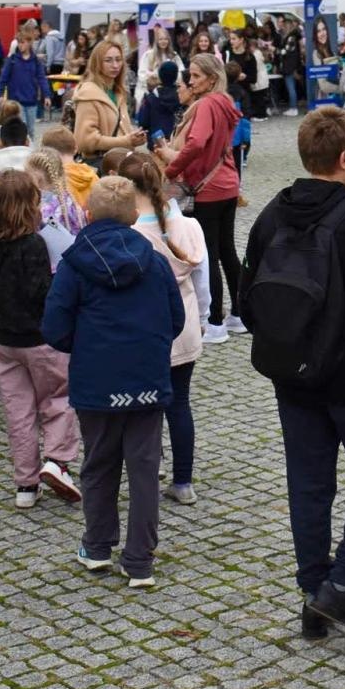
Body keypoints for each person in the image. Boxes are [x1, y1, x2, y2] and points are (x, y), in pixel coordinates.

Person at [241, 107, 345, 640]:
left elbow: (248, 299)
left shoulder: (271, 214)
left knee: (310, 483)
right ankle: (342, 585)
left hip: (292, 372)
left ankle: (315, 592)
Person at [43, 176, 185, 586]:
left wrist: (86, 347)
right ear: (133, 217)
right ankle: (139, 559)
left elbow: (55, 327)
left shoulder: (73, 264)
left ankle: (99, 545)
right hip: (146, 378)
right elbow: (174, 319)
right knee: (144, 468)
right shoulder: (155, 260)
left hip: (96, 380)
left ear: (87, 214)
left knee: (98, 464)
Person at [0, 171, 81, 510]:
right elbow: (40, 293)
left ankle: (25, 483)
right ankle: (57, 461)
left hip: (6, 340)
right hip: (40, 338)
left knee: (18, 413)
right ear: (31, 205)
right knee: (58, 400)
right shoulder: (34, 244)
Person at [119, 153, 210, 506]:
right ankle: (183, 481)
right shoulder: (188, 226)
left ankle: (149, 468)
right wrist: (201, 320)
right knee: (180, 403)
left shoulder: (127, 233)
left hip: (141, 328)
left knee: (144, 406)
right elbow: (203, 286)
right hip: (182, 322)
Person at [157, 54, 243, 343]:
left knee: (211, 255)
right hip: (229, 183)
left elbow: (196, 143)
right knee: (228, 251)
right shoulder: (226, 102)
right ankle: (239, 315)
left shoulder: (207, 104)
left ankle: (216, 322)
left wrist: (172, 168)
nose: (190, 81)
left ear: (211, 78)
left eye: (195, 76)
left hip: (208, 187)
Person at [70, 41, 146, 160]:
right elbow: (85, 141)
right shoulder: (88, 94)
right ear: (97, 63)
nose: (115, 65)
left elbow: (120, 128)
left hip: (122, 162)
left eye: (118, 59)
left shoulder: (118, 92)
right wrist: (125, 141)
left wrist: (135, 137)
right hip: (101, 166)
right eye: (108, 60)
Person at [0, 29, 53, 136]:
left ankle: (30, 151)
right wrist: (0, 94)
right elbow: (3, 77)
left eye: (22, 42)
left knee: (31, 130)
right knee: (20, 130)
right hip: (16, 102)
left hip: (31, 101)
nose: (20, 45)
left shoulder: (36, 61)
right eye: (19, 42)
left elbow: (42, 78)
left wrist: (47, 95)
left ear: (29, 43)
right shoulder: (12, 60)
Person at [135, 60, 182, 145]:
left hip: (156, 143)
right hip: (176, 143)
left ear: (160, 76)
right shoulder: (182, 97)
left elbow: (142, 121)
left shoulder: (151, 98)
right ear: (176, 76)